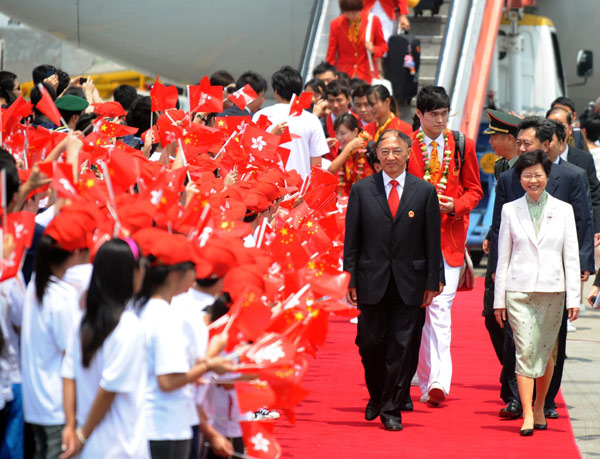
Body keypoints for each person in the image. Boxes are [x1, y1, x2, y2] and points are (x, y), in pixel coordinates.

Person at [489, 116, 594, 421]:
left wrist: (577, 289)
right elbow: (501, 243)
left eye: (527, 143)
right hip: (519, 286)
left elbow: (577, 237)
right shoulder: (510, 194)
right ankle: (522, 407)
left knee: (548, 348)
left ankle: (542, 403)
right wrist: (498, 289)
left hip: (553, 283)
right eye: (527, 176)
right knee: (522, 346)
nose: (532, 180)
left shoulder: (568, 193)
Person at [343, 129, 442, 431]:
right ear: (377, 154)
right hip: (371, 279)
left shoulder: (424, 191)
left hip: (409, 281)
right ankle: (377, 395)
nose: (390, 157)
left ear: (408, 152)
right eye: (384, 151)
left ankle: (391, 408)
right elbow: (352, 240)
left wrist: (432, 281)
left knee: (401, 346)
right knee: (369, 343)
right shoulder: (362, 190)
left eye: (396, 151)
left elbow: (431, 240)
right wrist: (350, 279)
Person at [408, 85, 483, 406]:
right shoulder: (405, 146)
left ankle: (438, 379)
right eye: (434, 115)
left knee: (439, 308)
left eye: (444, 114)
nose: (440, 121)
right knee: (420, 313)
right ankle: (426, 379)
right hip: (413, 242)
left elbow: (475, 189)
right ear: (419, 115)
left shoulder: (460, 145)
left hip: (450, 240)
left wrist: (455, 206)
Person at [133, 228, 233, 459]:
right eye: (193, 270)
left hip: (151, 423)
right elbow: (168, 381)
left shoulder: (144, 308)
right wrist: (208, 366)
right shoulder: (166, 318)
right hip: (165, 426)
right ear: (174, 274)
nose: (196, 277)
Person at [20, 204, 97, 459]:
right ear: (75, 254)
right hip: (57, 409)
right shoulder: (60, 299)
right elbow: (72, 357)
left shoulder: (35, 286)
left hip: (37, 405)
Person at [60, 238, 148, 458]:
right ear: (130, 274)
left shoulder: (81, 319)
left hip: (90, 446)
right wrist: (81, 435)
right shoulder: (129, 326)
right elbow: (107, 391)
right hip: (119, 446)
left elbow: (68, 375)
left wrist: (70, 427)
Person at [481, 109, 521, 366]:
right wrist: (489, 234)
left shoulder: (528, 167)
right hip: (498, 247)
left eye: (495, 136)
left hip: (519, 252)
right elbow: (501, 208)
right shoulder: (500, 166)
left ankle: (515, 378)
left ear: (509, 138)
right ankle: (510, 369)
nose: (491, 142)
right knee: (490, 315)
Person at [252, 66, 329, 179]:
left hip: (266, 187)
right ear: (299, 92)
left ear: (276, 91)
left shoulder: (260, 115)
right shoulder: (311, 120)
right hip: (299, 190)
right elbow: (317, 164)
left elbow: (253, 154)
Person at [547, 106, 600, 245]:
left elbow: (594, 198)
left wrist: (596, 229)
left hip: (574, 233)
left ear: (570, 129)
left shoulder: (584, 160)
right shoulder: (536, 163)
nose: (554, 128)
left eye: (560, 125)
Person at [326, 0, 388, 84]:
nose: (351, 16)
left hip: (366, 74)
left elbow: (383, 46)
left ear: (360, 9)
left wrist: (373, 49)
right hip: (344, 74)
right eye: (347, 13)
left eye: (354, 12)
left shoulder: (373, 21)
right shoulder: (336, 24)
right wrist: (329, 73)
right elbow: (331, 53)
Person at [328, 114, 373, 196]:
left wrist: (348, 148)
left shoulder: (369, 148)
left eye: (342, 134)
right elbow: (331, 171)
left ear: (355, 131)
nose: (338, 138)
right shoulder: (344, 150)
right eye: (336, 134)